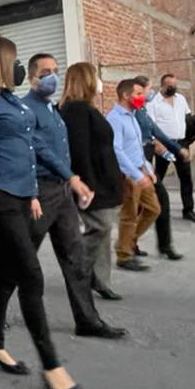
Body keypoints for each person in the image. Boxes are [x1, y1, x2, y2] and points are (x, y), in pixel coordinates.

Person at [0, 35, 82, 389]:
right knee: (31, 274)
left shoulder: (11, 102)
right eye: (13, 61)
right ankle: (52, 366)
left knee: (6, 273)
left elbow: (29, 149)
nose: (17, 68)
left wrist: (32, 194)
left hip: (20, 196)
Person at [24, 53, 124, 339]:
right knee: (22, 255)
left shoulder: (53, 109)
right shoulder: (26, 109)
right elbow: (37, 151)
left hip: (63, 191)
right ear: (31, 76)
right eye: (46, 72)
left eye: (56, 70)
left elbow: (66, 151)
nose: (53, 77)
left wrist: (72, 183)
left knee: (75, 259)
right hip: (43, 191)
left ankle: (88, 321)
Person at [59, 62, 125, 302]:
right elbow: (79, 152)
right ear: (85, 80)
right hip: (93, 183)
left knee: (103, 233)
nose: (98, 82)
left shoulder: (86, 108)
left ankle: (100, 280)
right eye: (94, 76)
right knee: (101, 227)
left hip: (104, 180)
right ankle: (78, 271)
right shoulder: (76, 111)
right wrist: (87, 185)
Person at [130, 77, 188, 262]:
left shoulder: (142, 110)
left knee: (151, 203)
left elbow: (156, 132)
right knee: (143, 204)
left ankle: (153, 244)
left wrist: (176, 149)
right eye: (148, 89)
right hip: (138, 163)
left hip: (145, 161)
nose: (150, 92)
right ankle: (130, 246)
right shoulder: (133, 112)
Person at [110, 79, 161, 271]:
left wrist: (147, 168)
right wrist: (135, 174)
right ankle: (124, 255)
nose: (142, 97)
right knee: (129, 215)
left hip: (140, 171)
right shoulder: (115, 118)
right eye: (138, 94)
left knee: (153, 209)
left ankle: (128, 241)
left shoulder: (132, 116)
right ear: (125, 95)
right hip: (128, 175)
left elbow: (136, 148)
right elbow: (117, 150)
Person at [147, 73, 195, 222]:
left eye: (175, 85)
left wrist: (193, 133)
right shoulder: (153, 103)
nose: (173, 88)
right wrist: (157, 144)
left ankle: (188, 210)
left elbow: (188, 118)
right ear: (163, 86)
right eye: (170, 86)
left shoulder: (181, 99)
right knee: (158, 178)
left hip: (181, 143)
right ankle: (153, 209)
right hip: (163, 145)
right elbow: (150, 127)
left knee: (186, 178)